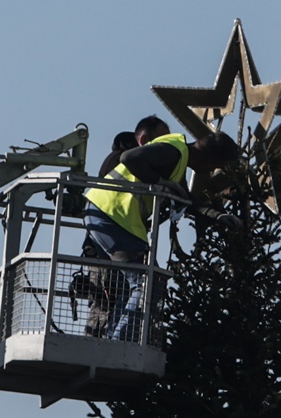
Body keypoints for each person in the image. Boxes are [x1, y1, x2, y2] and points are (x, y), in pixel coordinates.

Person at [79, 128, 240, 339]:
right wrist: (160, 182)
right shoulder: (172, 152)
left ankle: (112, 338)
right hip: (114, 215)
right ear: (210, 158)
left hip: (104, 213)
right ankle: (117, 342)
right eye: (214, 167)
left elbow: (185, 198)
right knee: (148, 284)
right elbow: (129, 157)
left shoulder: (178, 157)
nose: (208, 172)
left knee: (129, 288)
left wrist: (216, 216)